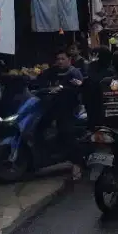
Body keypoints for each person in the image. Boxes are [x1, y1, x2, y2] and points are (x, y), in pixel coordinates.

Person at [37, 49, 84, 180]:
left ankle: (77, 164)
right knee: (39, 126)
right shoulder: (53, 71)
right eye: (58, 59)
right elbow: (41, 80)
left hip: (69, 108)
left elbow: (79, 88)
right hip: (52, 107)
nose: (60, 61)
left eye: (63, 59)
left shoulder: (74, 73)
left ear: (69, 60)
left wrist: (63, 89)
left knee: (67, 132)